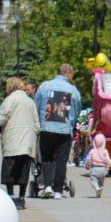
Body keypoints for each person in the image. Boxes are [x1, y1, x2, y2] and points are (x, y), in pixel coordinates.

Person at [34, 64, 82, 198]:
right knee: (61, 160)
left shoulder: (44, 86)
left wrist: (39, 120)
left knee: (47, 158)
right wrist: (72, 121)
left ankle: (47, 186)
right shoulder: (73, 90)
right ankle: (58, 191)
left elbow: (36, 105)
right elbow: (77, 109)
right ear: (69, 74)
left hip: (46, 128)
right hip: (64, 130)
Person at [0, 76, 39, 209]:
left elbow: (0, 119)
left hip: (13, 141)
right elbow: (37, 125)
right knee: (23, 171)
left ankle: (10, 196)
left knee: (10, 170)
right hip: (28, 143)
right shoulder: (30, 101)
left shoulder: (10, 99)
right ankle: (21, 198)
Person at [85, 133, 111, 198]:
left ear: (94, 142)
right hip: (103, 169)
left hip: (95, 169)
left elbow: (89, 159)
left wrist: (87, 165)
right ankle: (100, 189)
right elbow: (108, 159)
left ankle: (97, 188)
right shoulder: (105, 151)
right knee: (101, 182)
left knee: (93, 180)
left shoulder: (92, 151)